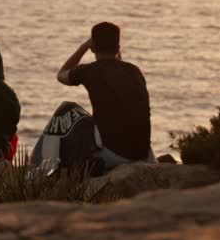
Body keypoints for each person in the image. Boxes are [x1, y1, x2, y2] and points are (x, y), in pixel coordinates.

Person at [57, 21, 153, 167]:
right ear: (118, 48)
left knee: (67, 109)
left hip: (113, 155)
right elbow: (117, 75)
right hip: (143, 154)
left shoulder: (89, 71)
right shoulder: (134, 71)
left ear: (93, 47)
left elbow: (61, 75)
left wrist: (83, 47)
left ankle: (48, 167)